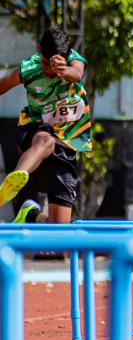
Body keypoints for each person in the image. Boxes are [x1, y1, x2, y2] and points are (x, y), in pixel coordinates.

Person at [0, 27, 93, 224]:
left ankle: (31, 215)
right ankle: (16, 179)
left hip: (66, 147)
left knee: (59, 232)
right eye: (44, 63)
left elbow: (77, 73)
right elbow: (2, 85)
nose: (48, 70)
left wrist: (64, 70)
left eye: (53, 66)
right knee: (47, 140)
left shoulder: (73, 61)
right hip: (33, 132)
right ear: (38, 50)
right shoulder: (29, 68)